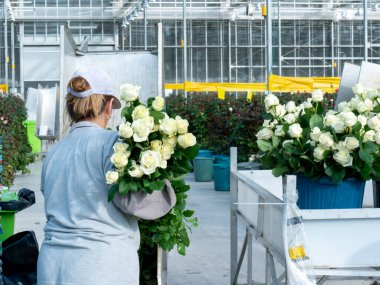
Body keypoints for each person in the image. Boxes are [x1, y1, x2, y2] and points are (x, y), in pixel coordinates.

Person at [37, 68, 175, 285]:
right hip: (100, 266)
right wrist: (161, 180)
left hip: (52, 266)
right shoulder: (113, 144)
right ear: (109, 106)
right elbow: (139, 204)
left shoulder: (53, 152)